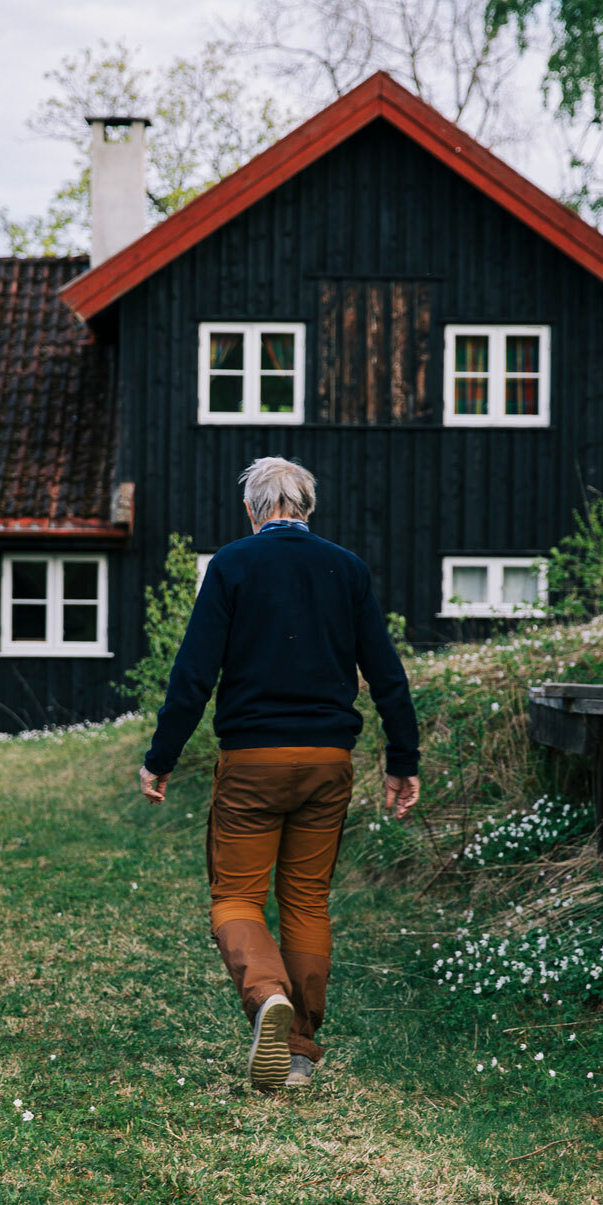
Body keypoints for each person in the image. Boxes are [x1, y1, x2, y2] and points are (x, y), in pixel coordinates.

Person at [138, 455, 420, 1092]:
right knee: (306, 900)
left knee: (237, 896)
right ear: (308, 509)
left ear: (251, 511)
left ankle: (268, 998)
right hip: (328, 764)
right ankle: (297, 1053)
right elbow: (387, 676)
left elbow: (192, 677)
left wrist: (161, 758)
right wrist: (403, 760)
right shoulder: (347, 569)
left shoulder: (232, 566)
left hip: (253, 763)